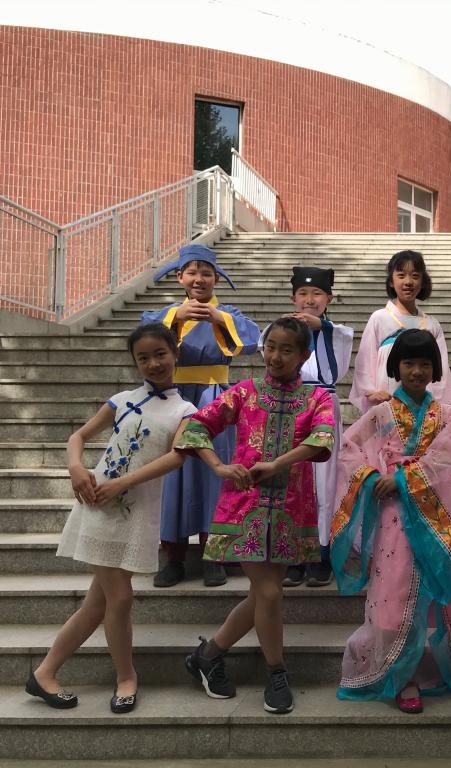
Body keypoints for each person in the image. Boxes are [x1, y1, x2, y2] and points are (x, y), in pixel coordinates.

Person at [27, 324, 195, 714]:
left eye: (160, 354)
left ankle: (44, 673)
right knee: (119, 598)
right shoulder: (121, 400)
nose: (153, 363)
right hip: (98, 505)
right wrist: (75, 468)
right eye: (143, 358)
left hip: (136, 511)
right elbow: (78, 437)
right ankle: (126, 678)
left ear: (176, 353)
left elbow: (177, 456)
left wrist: (124, 482)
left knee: (97, 604)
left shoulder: (185, 411)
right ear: (134, 362)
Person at [177, 317, 336, 715]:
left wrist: (278, 463)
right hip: (244, 506)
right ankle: (277, 673)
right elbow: (194, 427)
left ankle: (208, 655)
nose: (275, 357)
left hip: (290, 510)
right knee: (268, 593)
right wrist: (218, 466)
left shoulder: (317, 398)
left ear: (304, 355)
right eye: (270, 347)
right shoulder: (245, 392)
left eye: (287, 350)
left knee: (264, 594)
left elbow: (322, 439)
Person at [331, 329, 451, 714]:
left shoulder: (446, 415)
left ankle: (417, 670)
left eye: (425, 363)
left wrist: (404, 479)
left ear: (435, 368)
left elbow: (448, 459)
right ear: (396, 366)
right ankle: (400, 675)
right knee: (392, 593)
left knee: (428, 595)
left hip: (433, 514)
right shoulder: (381, 413)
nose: (417, 371)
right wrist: (372, 477)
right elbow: (349, 448)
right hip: (392, 515)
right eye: (409, 362)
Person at [141, 243, 260, 588]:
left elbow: (254, 337)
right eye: (192, 273)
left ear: (216, 279)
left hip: (216, 399)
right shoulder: (167, 314)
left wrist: (220, 318)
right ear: (179, 277)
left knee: (215, 474)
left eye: (206, 273)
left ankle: (214, 555)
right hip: (173, 397)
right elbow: (144, 334)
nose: (199, 279)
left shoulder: (228, 314)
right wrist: (175, 318)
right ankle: (173, 556)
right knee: (171, 475)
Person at [263, 266, 354, 588]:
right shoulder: (278, 330)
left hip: (323, 403)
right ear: (293, 298)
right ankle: (292, 553)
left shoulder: (336, 332)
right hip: (288, 404)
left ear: (329, 298)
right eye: (303, 293)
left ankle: (321, 553)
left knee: (324, 482)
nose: (310, 300)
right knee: (292, 479)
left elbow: (337, 358)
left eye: (317, 294)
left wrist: (322, 327)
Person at [348, 250, 451, 414]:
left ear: (423, 282)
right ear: (391, 281)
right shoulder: (379, 318)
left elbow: (442, 369)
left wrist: (436, 401)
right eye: (401, 275)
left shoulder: (432, 325)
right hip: (386, 400)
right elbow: (365, 360)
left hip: (424, 405)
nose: (408, 282)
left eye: (415, 276)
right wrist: (370, 391)